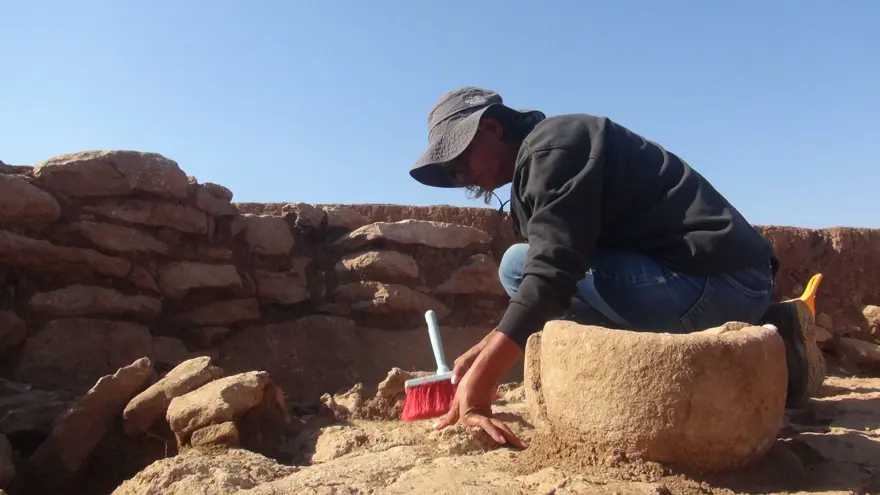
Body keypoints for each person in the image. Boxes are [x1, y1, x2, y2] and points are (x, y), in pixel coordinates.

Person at [408, 86, 821, 448]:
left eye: (460, 157)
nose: (460, 174)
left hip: (719, 281)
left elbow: (553, 275)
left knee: (519, 266)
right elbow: (559, 268)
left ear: (493, 129)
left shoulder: (553, 147)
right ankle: (775, 333)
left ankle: (745, 327)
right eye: (451, 171)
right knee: (522, 267)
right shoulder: (534, 172)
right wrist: (483, 351)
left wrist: (482, 385)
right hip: (722, 285)